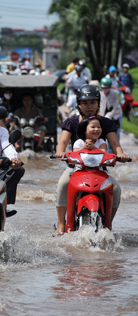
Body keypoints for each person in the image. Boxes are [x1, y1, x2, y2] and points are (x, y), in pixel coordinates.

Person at [54, 84, 130, 235]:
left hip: (99, 169)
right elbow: (62, 143)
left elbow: (115, 145)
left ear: (98, 104)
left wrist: (121, 154)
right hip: (76, 168)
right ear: (79, 104)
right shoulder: (71, 122)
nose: (89, 106)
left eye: (93, 102)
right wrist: (61, 153)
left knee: (115, 189)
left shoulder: (106, 123)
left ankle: (107, 225)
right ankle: (61, 224)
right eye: (85, 103)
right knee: (63, 184)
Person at [99, 77, 122, 141]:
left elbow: (114, 107)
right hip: (104, 116)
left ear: (109, 87)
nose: (104, 89)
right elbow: (101, 106)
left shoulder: (115, 94)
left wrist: (108, 116)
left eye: (106, 88)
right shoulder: (100, 94)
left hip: (115, 116)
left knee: (115, 134)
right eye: (103, 88)